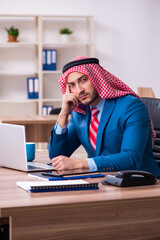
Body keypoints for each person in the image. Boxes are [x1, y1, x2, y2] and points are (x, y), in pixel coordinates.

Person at [48, 56, 160, 178]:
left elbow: (131, 158)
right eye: (72, 85)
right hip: (102, 181)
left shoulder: (132, 106)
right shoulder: (80, 112)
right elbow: (57, 156)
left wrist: (81, 163)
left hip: (141, 184)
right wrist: (63, 114)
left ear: (97, 78)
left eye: (84, 80)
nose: (79, 90)